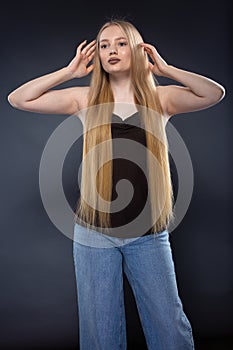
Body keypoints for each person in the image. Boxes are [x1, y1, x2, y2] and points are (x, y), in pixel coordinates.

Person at [8, 19, 225, 350]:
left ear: (138, 49)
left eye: (121, 43)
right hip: (94, 235)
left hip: (148, 234)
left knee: (170, 328)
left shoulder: (160, 98)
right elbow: (19, 99)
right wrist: (68, 73)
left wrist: (166, 69)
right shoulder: (84, 99)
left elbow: (214, 93)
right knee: (101, 335)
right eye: (105, 44)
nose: (112, 50)